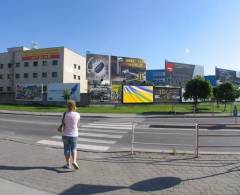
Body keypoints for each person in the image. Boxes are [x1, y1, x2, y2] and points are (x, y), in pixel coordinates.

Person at [62, 100, 80, 170]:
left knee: (66, 149)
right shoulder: (77, 114)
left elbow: (63, 124)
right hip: (74, 134)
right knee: (74, 148)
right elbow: (77, 125)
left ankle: (68, 164)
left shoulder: (65, 114)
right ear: (74, 106)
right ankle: (74, 161)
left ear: (67, 106)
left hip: (65, 134)